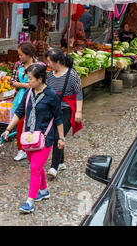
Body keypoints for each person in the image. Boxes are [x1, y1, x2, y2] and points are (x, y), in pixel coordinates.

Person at [1, 64, 64, 213]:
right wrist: (8, 129)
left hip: (45, 138)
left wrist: (61, 138)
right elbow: (19, 112)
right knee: (37, 166)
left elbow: (58, 118)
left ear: (40, 79)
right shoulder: (29, 93)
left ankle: (30, 202)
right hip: (28, 137)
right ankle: (44, 191)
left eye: (30, 78)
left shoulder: (52, 95)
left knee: (34, 168)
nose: (28, 81)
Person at [45, 48, 83, 180]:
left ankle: (53, 167)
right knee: (56, 135)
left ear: (58, 61)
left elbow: (79, 92)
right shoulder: (50, 75)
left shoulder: (71, 74)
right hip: (54, 110)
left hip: (67, 110)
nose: (48, 64)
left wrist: (78, 111)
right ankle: (61, 162)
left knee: (58, 136)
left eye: (50, 62)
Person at [10, 42, 43, 161]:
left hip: (36, 99)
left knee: (33, 125)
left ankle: (34, 147)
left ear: (28, 54)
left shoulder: (39, 65)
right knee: (19, 124)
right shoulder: (18, 65)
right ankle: (21, 149)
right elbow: (12, 82)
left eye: (21, 55)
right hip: (21, 98)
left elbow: (43, 83)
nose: (19, 57)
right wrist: (25, 85)